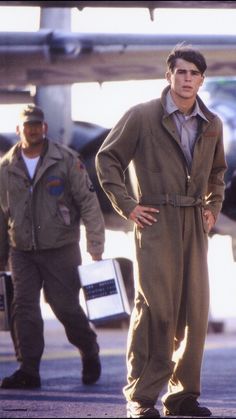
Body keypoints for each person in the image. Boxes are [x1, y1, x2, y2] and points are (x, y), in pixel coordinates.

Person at [96, 44, 227, 418]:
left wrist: (212, 207)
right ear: (168, 75)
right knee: (155, 310)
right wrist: (129, 205)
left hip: (194, 222)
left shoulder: (212, 123)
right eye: (181, 72)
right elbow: (107, 158)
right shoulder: (141, 116)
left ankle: (182, 396)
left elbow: (218, 172)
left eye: (194, 74)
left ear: (202, 80)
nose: (187, 80)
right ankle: (141, 398)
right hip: (154, 221)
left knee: (195, 311)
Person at [0, 104, 105, 389]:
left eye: (37, 124)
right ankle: (28, 369)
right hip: (21, 250)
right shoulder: (6, 168)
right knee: (24, 307)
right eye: (27, 125)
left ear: (44, 128)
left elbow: (88, 202)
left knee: (65, 306)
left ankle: (89, 349)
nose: (32, 129)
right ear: (18, 130)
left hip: (61, 248)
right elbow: (1, 214)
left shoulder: (67, 160)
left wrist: (95, 244)